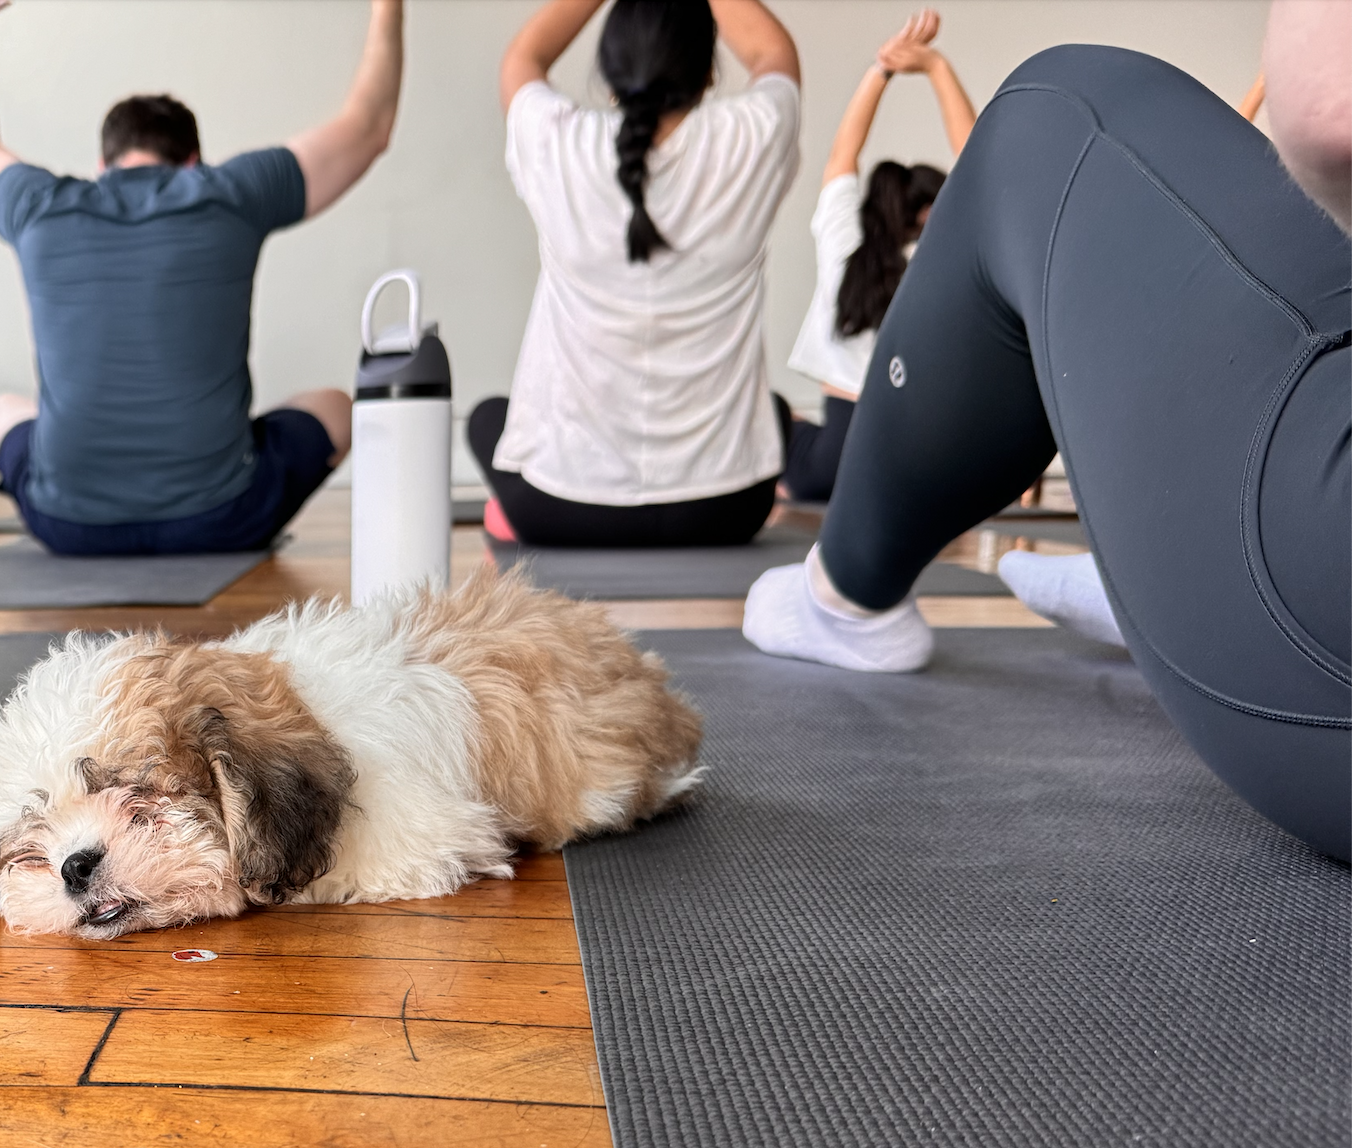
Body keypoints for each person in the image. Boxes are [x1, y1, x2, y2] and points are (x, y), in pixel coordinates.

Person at [741, 34, 1350, 863]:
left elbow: (1328, 110)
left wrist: (887, 72)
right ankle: (1139, 575)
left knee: (1052, 110)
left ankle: (844, 594)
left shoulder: (844, 239)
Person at [0, 0, 402, 556]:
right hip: (223, 518)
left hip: (66, 524)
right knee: (337, 404)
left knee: (1, 412)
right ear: (193, 161)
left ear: (104, 164)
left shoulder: (38, 205)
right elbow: (368, 127)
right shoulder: (229, 193)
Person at [471, 0, 800, 549]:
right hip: (727, 510)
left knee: (486, 419)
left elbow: (525, 56)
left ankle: (507, 513)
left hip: (556, 509)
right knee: (777, 414)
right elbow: (773, 52)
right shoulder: (754, 136)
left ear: (609, 73)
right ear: (710, 72)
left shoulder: (557, 141)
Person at [780, 8, 975, 503]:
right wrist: (936, 67)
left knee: (768, 408)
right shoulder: (943, 262)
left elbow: (842, 154)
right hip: (909, 463)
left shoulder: (842, 239)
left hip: (825, 469)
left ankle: (785, 457)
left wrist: (881, 68)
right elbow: (979, 167)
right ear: (930, 213)